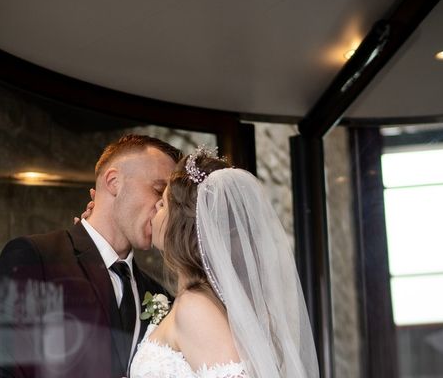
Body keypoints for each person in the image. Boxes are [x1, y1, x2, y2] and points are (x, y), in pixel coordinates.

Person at [0, 134, 182, 378]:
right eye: (159, 191)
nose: (163, 208)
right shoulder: (36, 258)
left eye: (170, 202)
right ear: (113, 181)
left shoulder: (160, 295)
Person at [129, 146, 319, 378]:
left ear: (182, 227)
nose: (156, 208)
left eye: (164, 204)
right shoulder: (204, 300)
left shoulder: (195, 306)